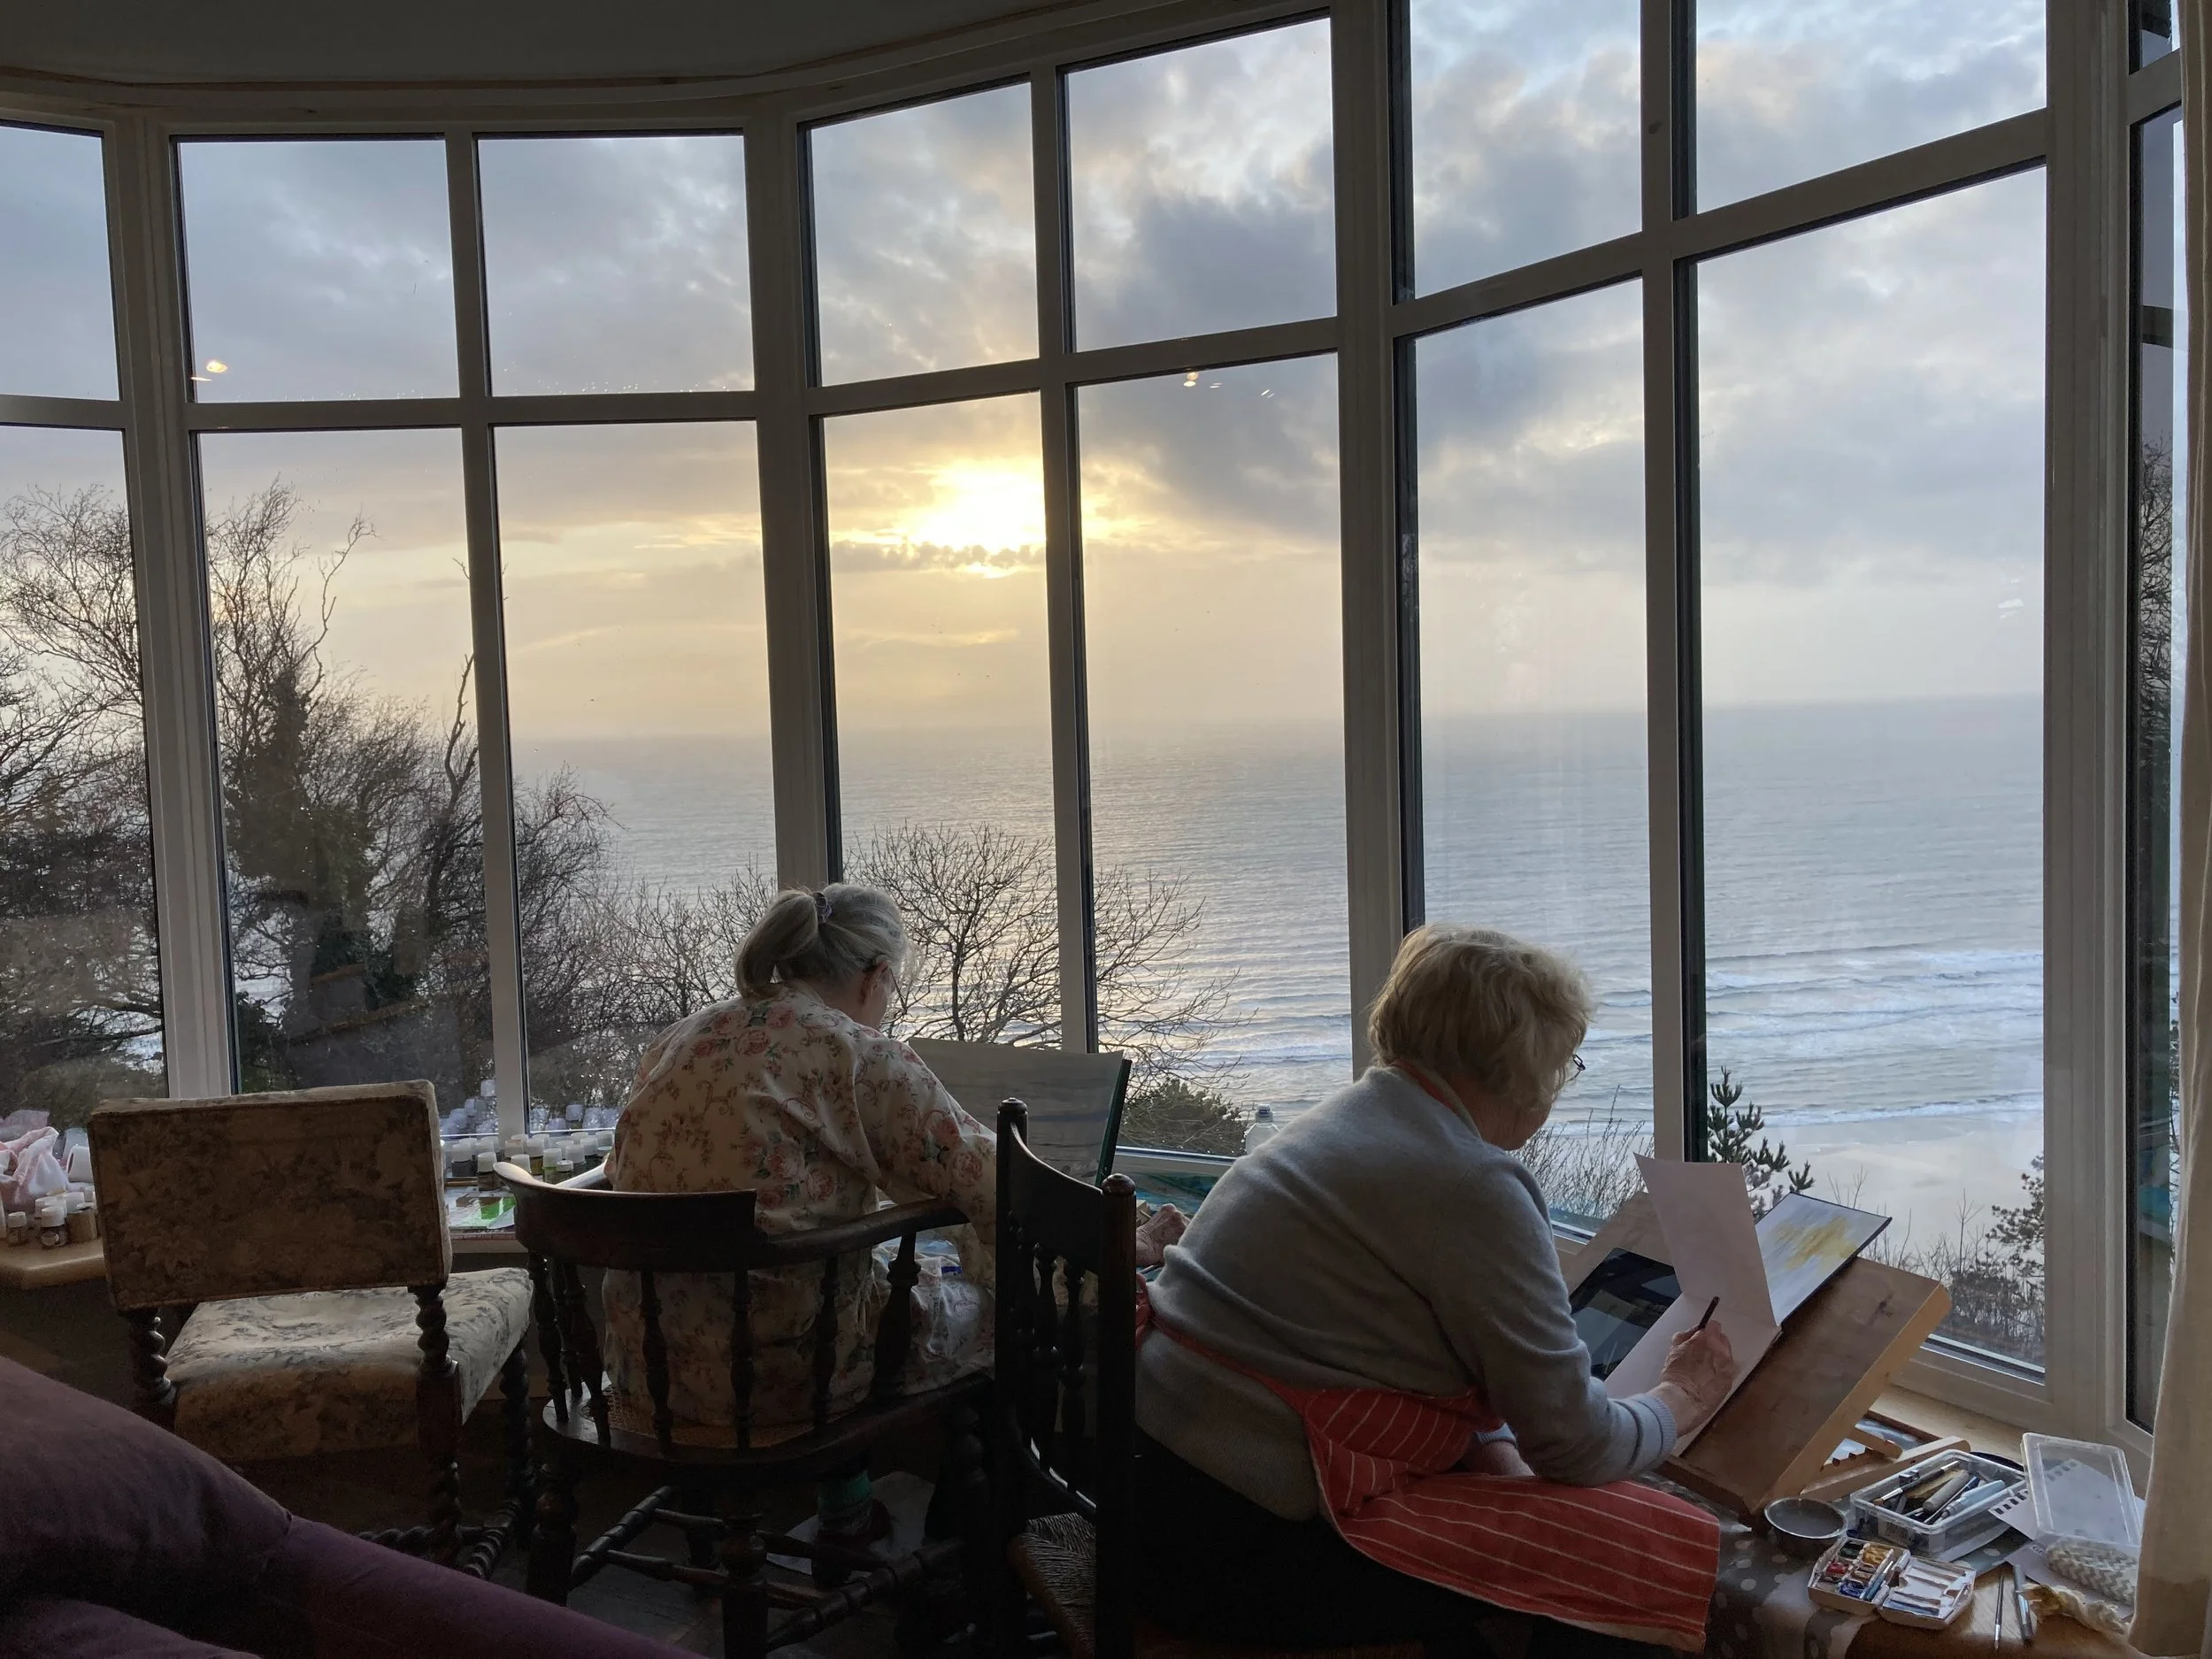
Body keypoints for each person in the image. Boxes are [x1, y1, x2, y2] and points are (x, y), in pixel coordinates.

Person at [1133, 925, 1737, 1658]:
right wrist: (1681, 1397)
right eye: (1563, 1063)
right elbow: (1575, 1446)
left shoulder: (1339, 1122)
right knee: (1638, 1552)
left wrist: (1493, 1442)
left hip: (1147, 1493)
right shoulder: (1473, 1182)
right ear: (1522, 1065)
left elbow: (1372, 1343)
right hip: (1240, 1552)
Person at [602, 883, 998, 1544]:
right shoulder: (857, 1052)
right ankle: (962, 1547)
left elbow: (623, 1171)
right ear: (875, 976)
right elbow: (988, 1180)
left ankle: (840, 1513)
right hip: (788, 1382)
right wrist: (1127, 1232)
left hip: (647, 1371)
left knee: (841, 1277)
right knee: (995, 1310)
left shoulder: (681, 1037)